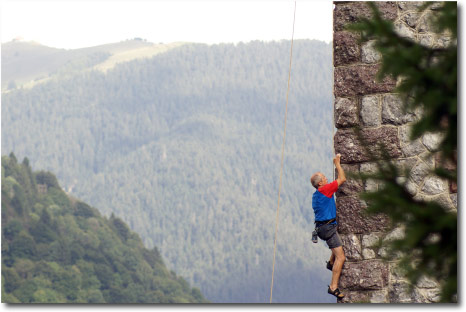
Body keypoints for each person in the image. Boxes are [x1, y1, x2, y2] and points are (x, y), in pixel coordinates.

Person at [310, 153, 346, 299]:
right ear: (320, 183)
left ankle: (331, 263)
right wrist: (337, 163)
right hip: (328, 228)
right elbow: (342, 179)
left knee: (336, 244)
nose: (326, 178)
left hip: (323, 228)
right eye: (324, 177)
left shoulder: (316, 194)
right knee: (341, 257)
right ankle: (333, 287)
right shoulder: (325, 189)